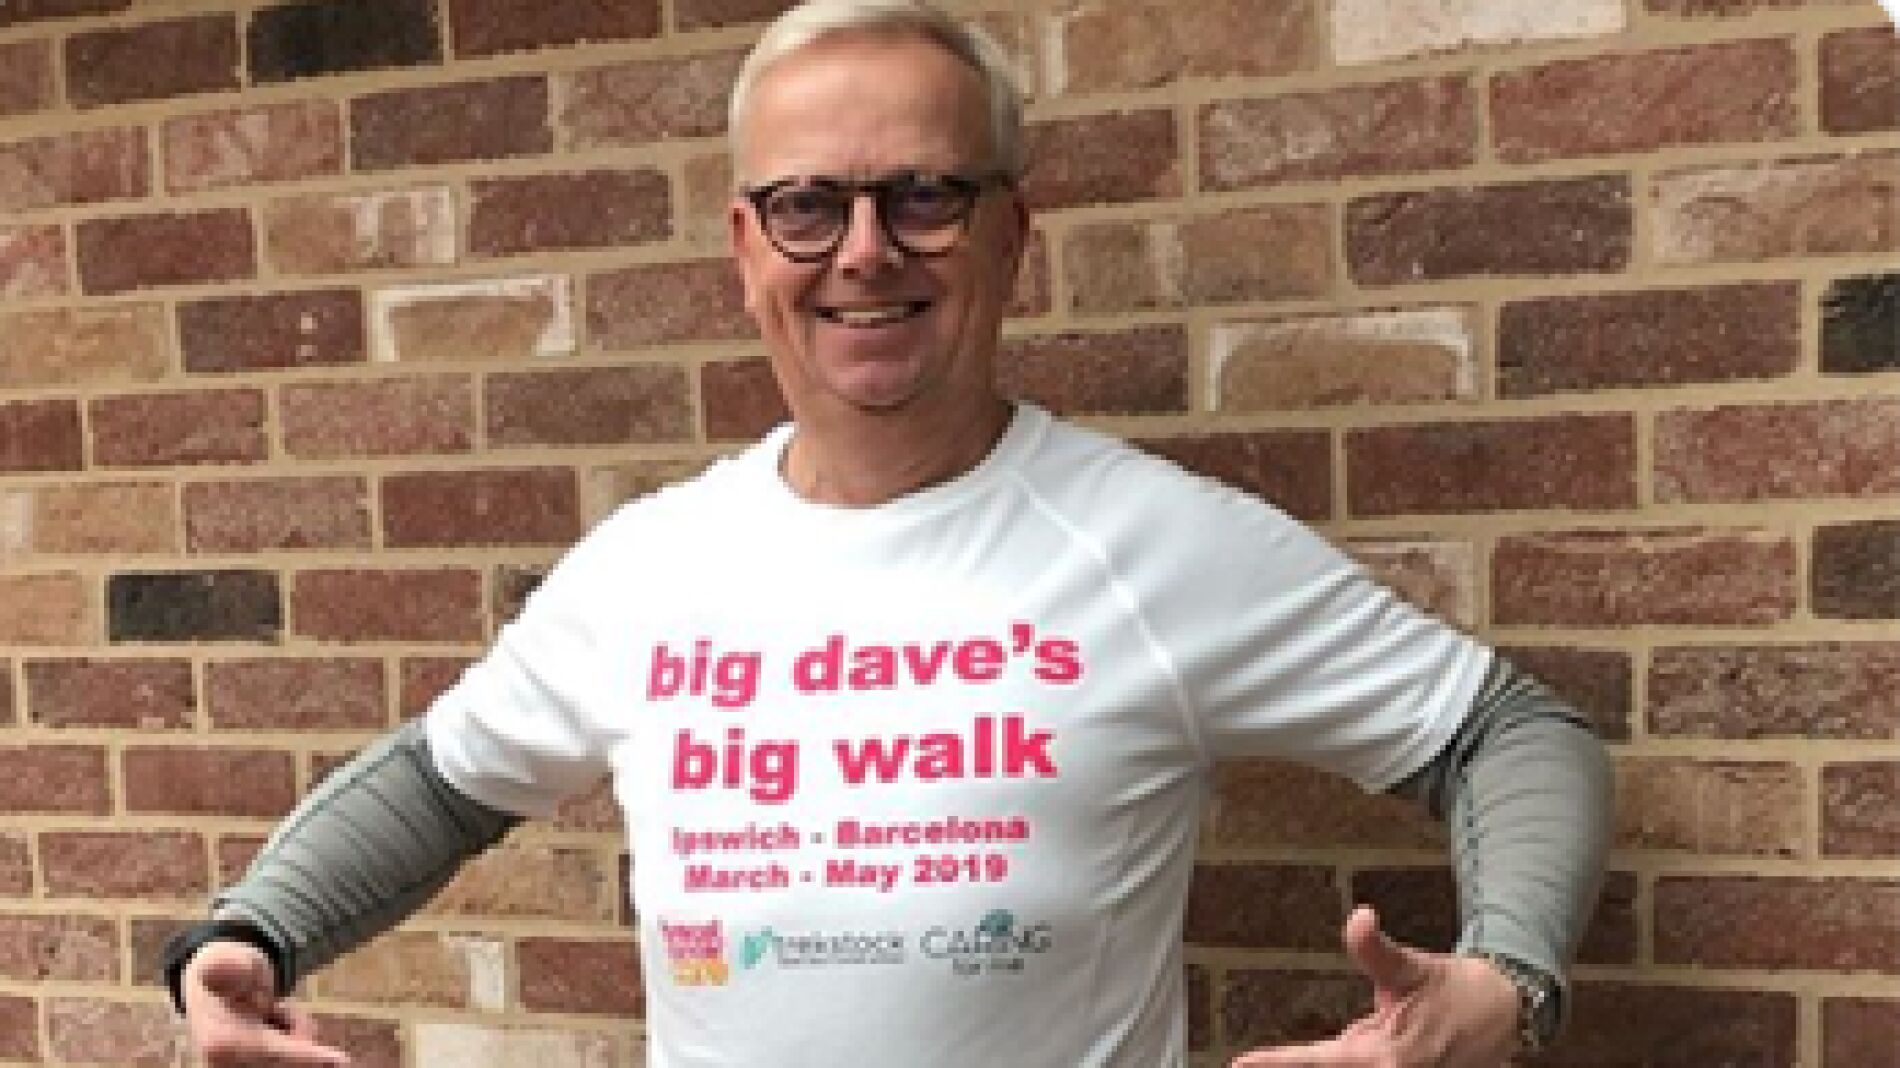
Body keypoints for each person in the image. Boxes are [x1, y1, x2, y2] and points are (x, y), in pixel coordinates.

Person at [164, 2, 1612, 1065]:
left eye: (924, 195)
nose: (864, 251)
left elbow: (1509, 733)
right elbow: (441, 780)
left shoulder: (1153, 545)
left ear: (1010, 236)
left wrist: (1506, 983)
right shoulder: (648, 568)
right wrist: (247, 938)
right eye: (808, 204)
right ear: (746, 248)